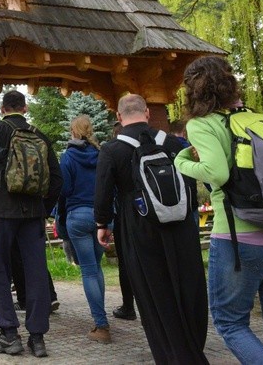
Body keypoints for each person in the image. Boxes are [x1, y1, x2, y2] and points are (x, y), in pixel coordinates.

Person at [175, 56, 263, 364]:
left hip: (241, 240)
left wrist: (181, 162)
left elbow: (217, 173)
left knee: (231, 322)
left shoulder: (202, 125)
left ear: (193, 89)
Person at [94, 94, 208, 364]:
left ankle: (171, 354)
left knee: (153, 293)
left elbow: (102, 194)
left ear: (119, 117)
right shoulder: (171, 142)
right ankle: (192, 346)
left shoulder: (112, 149)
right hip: (180, 226)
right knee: (188, 285)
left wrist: (102, 224)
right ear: (146, 112)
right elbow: (191, 185)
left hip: (138, 227)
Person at [0, 90, 62, 358]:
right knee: (35, 271)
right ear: (24, 108)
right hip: (33, 213)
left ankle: (9, 335)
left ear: (3, 109)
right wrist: (43, 210)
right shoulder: (40, 135)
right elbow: (57, 179)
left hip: (1, 212)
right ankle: (37, 338)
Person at [61, 115, 110, 343]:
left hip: (78, 216)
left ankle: (101, 324)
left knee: (89, 270)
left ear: (73, 131)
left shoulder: (68, 157)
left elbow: (65, 190)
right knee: (96, 268)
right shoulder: (102, 155)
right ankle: (101, 318)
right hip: (102, 217)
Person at [108, 121, 135, 321]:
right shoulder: (145, 147)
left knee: (125, 263)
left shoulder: (113, 152)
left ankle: (128, 306)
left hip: (123, 215)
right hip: (149, 212)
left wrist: (103, 221)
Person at [169, 119, 200, 228]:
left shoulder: (163, 146)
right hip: (190, 200)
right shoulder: (188, 148)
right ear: (184, 132)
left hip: (171, 202)